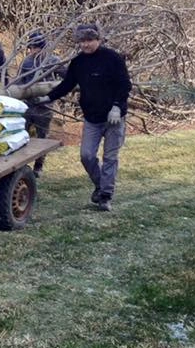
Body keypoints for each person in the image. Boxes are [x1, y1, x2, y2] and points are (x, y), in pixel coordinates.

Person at [35, 23, 131, 211]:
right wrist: (48, 97)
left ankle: (105, 196)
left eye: (89, 40)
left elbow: (125, 85)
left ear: (98, 39)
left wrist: (117, 107)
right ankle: (100, 184)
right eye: (82, 41)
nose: (85, 45)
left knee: (110, 157)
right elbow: (67, 84)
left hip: (114, 118)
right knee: (86, 155)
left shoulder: (112, 58)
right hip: (92, 117)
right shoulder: (79, 62)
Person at [12, 29, 64, 174]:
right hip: (28, 105)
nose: (34, 51)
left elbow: (66, 76)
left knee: (42, 137)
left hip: (45, 106)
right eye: (32, 48)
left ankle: (38, 166)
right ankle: (19, 165)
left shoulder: (53, 61)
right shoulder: (27, 62)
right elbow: (20, 81)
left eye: (37, 48)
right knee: (22, 135)